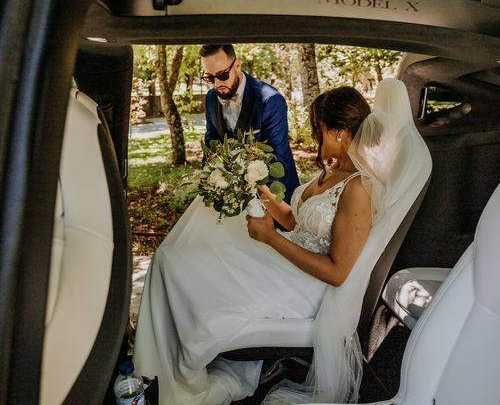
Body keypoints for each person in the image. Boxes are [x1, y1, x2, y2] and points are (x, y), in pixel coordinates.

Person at [133, 80, 416, 405]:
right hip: (289, 265)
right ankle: (160, 357)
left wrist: (269, 238)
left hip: (306, 287)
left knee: (192, 265)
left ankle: (173, 364)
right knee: (189, 252)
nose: (313, 134)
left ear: (340, 132)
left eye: (318, 128)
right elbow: (299, 223)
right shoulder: (331, 171)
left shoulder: (358, 189)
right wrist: (256, 190)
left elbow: (338, 271)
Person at [200, 44, 299, 203]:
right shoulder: (211, 99)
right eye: (209, 78)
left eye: (222, 75)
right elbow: (211, 147)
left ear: (237, 65)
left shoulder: (270, 101)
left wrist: (261, 205)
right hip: (229, 198)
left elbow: (279, 160)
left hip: (275, 197)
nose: (217, 83)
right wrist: (208, 184)